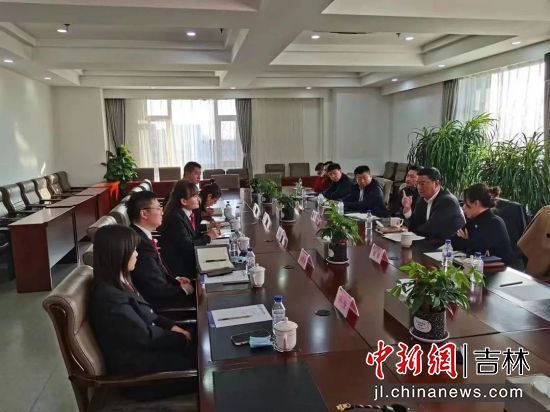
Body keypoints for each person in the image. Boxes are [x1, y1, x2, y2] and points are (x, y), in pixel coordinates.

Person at [88, 225, 195, 398]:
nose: (137, 254)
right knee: (209, 363)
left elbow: (148, 313)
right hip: (141, 375)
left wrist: (173, 327)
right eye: (133, 250)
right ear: (118, 253)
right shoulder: (109, 297)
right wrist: (182, 338)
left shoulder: (120, 281)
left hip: (151, 355)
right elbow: (145, 336)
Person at [126, 190, 195, 309]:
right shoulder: (140, 245)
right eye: (158, 208)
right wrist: (184, 290)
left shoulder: (140, 234)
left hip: (166, 291)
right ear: (144, 214)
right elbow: (155, 290)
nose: (162, 212)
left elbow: (155, 273)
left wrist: (175, 280)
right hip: (163, 308)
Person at [159, 179, 218, 278]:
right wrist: (208, 237)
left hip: (188, 259)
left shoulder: (185, 213)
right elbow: (188, 245)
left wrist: (209, 227)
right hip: (181, 267)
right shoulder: (175, 218)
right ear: (184, 201)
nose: (198, 199)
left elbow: (193, 231)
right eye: (194, 196)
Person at [452, 183, 514, 265]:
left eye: (466, 204)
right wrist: (467, 242)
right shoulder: (474, 220)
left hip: (495, 269)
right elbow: (453, 242)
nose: (463, 207)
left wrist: (466, 241)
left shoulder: (495, 224)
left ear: (476, 203)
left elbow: (479, 253)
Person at [401, 167, 465, 239]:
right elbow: (414, 223)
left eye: (422, 184)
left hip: (448, 243)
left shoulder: (447, 201)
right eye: (418, 183)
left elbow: (430, 229)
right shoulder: (423, 198)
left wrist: (408, 230)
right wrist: (407, 208)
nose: (419, 187)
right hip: (430, 240)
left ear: (436, 183)